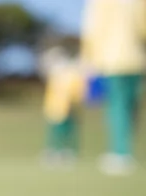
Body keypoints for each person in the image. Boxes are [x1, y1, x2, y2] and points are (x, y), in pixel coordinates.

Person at [80, 0, 146, 175]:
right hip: (137, 60)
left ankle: (120, 153)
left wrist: (87, 60)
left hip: (110, 60)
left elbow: (93, 29)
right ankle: (127, 151)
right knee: (130, 108)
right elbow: (143, 27)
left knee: (117, 108)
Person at [38, 46, 87, 168]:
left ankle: (68, 151)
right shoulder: (55, 75)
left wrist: (74, 101)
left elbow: (77, 90)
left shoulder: (71, 74)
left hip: (69, 109)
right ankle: (54, 151)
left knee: (68, 131)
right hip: (55, 109)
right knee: (55, 132)